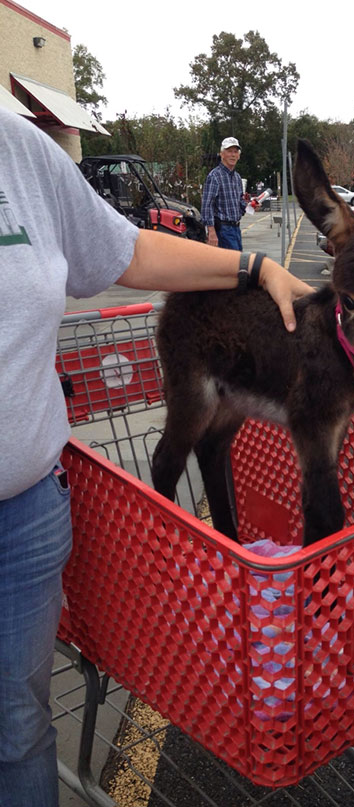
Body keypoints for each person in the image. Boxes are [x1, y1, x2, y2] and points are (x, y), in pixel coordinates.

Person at [0, 107, 312, 807]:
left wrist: (253, 266)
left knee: (16, 724)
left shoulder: (17, 147)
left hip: (21, 511)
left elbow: (126, 251)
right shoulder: (211, 182)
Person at [201, 136, 247, 250]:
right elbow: (207, 206)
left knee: (236, 264)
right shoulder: (215, 176)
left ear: (239, 156)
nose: (232, 155)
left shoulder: (237, 177)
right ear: (222, 154)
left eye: (235, 152)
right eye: (229, 151)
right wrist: (211, 232)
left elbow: (240, 202)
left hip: (236, 229)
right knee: (232, 265)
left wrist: (249, 206)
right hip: (222, 230)